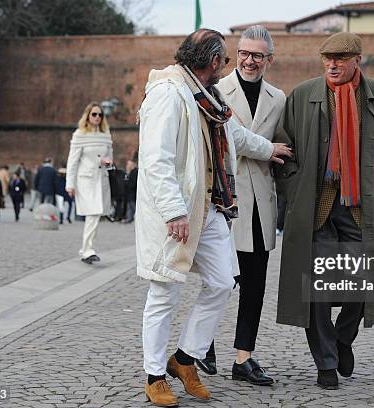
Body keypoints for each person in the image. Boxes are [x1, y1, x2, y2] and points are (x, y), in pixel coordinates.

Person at [136, 29, 292, 406]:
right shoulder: (168, 94)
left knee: (223, 281)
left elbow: (236, 136)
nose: (227, 64)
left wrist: (270, 148)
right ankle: (155, 375)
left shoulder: (210, 96)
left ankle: (185, 358)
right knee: (164, 291)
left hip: (209, 207)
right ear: (211, 61)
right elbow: (156, 161)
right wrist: (174, 211)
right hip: (174, 211)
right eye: (224, 58)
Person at [272, 32, 374, 389]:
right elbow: (282, 149)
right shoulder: (303, 96)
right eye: (327, 59)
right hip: (315, 210)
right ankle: (326, 363)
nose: (332, 65)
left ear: (356, 60)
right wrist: (295, 186)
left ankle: (341, 339)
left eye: (340, 59)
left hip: (360, 210)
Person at [197, 25, 285, 385]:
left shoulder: (279, 99)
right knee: (220, 280)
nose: (250, 61)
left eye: (258, 55)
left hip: (261, 200)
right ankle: (204, 345)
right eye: (245, 53)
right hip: (223, 197)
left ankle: (243, 357)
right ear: (237, 53)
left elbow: (283, 147)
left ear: (269, 59)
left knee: (254, 284)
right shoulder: (215, 89)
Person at [66, 102, 114, 264]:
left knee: (95, 214)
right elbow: (72, 162)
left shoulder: (106, 135)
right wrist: (69, 184)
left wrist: (107, 162)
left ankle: (85, 249)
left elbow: (110, 158)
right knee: (93, 213)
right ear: (87, 116)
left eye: (100, 115)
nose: (97, 117)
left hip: (101, 179)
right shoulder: (79, 135)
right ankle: (87, 250)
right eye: (94, 114)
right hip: (85, 180)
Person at [121, 159, 137, 224]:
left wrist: (126, 180)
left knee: (133, 207)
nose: (127, 166)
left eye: (128, 164)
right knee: (130, 207)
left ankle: (132, 219)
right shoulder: (130, 172)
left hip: (133, 194)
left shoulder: (135, 172)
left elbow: (131, 184)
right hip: (129, 194)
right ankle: (129, 218)